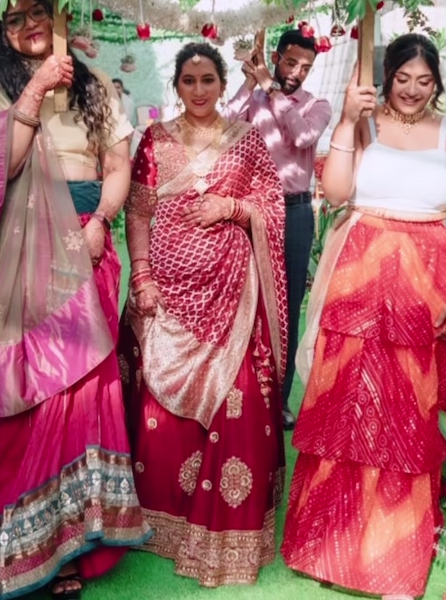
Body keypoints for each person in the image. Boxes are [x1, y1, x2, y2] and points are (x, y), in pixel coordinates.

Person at [0, 0, 150, 600]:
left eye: (37, 13)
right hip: (19, 251)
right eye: (14, 19)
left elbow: (117, 165)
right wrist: (34, 89)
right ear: (0, 29)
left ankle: (74, 542)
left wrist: (101, 220)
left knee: (81, 391)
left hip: (85, 240)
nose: (28, 26)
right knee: (18, 386)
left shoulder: (94, 82)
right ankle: (11, 541)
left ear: (57, 16)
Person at [281, 33, 446, 600]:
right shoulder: (364, 122)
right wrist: (346, 124)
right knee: (343, 407)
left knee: (407, 414)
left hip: (427, 285)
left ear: (438, 83)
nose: (412, 90)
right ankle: (325, 548)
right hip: (357, 279)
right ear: (387, 77)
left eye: (424, 81)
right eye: (403, 79)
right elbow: (335, 192)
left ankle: (393, 560)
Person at [119, 41, 288, 587]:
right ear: (177, 86)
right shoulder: (154, 139)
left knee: (237, 402)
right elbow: (138, 212)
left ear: (222, 84)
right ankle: (161, 519)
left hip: (233, 294)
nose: (198, 90)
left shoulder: (245, 139)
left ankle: (229, 528)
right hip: (167, 294)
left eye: (207, 80)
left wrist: (233, 207)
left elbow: (273, 205)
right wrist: (142, 277)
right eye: (188, 81)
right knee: (158, 411)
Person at [224, 28, 331, 429]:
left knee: (287, 305)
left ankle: (279, 401)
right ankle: (240, 393)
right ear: (275, 57)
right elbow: (223, 127)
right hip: (250, 210)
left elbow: (303, 136)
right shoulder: (252, 100)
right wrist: (251, 84)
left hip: (295, 213)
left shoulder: (317, 105)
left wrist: (273, 90)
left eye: (306, 67)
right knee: (243, 300)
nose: (297, 72)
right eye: (291, 62)